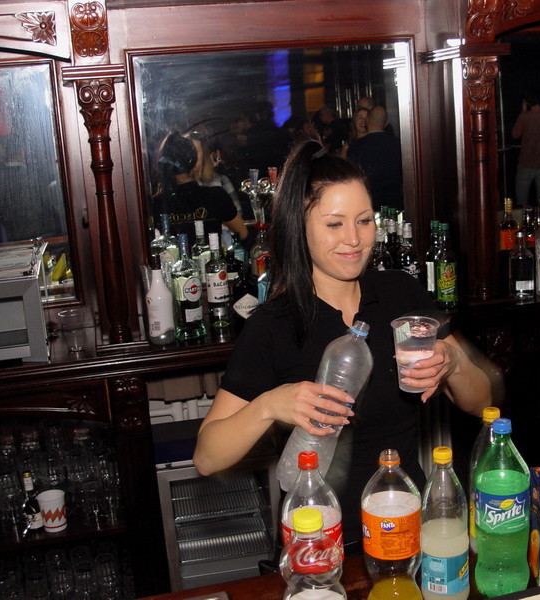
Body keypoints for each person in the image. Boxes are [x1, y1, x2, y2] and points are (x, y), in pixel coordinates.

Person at [193, 139, 501, 554]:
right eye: (334, 224)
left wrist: (454, 362)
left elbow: (482, 403)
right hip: (321, 540)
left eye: (364, 220)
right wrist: (270, 404)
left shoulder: (401, 294)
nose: (354, 239)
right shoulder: (274, 325)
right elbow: (207, 457)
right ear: (300, 228)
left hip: (406, 526)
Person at [153, 131, 248, 242]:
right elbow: (242, 233)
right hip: (212, 252)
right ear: (194, 164)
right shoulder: (216, 195)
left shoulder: (155, 203)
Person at [345, 105, 403, 211]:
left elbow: (350, 177)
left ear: (367, 120)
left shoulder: (356, 147)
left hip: (367, 202)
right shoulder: (398, 144)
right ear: (386, 123)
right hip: (395, 202)